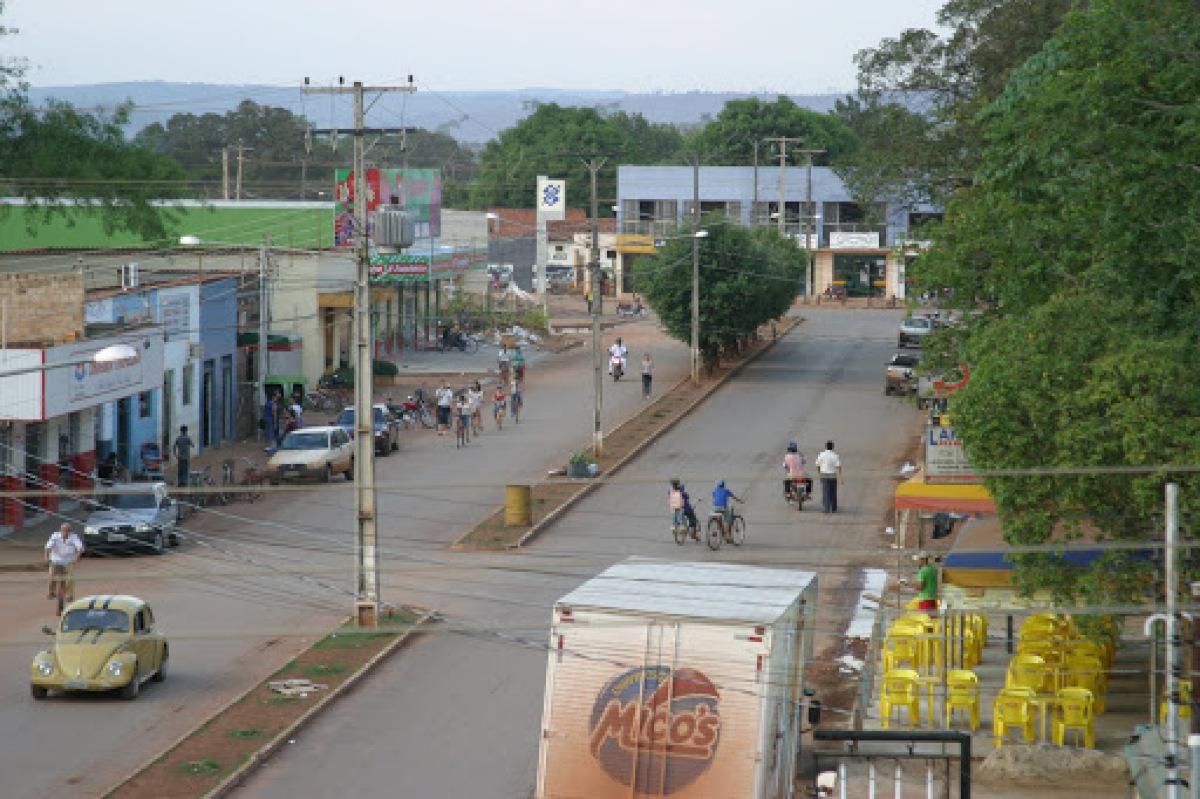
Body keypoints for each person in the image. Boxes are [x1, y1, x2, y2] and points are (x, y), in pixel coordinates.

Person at [45, 523, 83, 610]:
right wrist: (46, 558)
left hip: (69, 562)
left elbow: (80, 548)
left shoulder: (74, 537)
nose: (65, 532)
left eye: (67, 531)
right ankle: (51, 592)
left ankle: (69, 595)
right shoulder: (55, 536)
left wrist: (77, 557)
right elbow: (47, 547)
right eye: (63, 530)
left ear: (70, 531)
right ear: (60, 530)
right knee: (51, 576)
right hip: (55, 561)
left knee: (70, 579)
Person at [814, 440, 843, 513]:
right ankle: (834, 508)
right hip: (833, 475)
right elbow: (839, 466)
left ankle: (826, 508)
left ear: (826, 447)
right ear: (833, 447)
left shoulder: (822, 454)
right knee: (833, 492)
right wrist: (841, 477)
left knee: (825, 492)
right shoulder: (835, 455)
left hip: (824, 475)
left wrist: (819, 473)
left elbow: (817, 464)